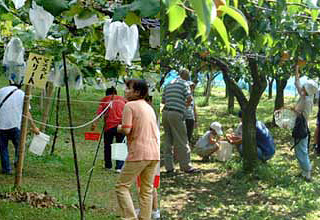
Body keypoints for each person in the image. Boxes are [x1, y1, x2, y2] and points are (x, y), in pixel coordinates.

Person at [116, 79, 160, 220]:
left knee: (122, 186)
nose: (126, 91)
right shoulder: (149, 107)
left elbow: (127, 129)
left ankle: (130, 217)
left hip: (139, 152)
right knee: (146, 190)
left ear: (137, 92)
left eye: (128, 88)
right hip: (154, 153)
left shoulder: (130, 106)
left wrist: (118, 128)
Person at [162, 69, 198, 173]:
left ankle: (169, 167)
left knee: (168, 140)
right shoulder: (184, 84)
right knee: (182, 139)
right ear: (186, 77)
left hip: (165, 113)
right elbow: (189, 98)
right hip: (176, 113)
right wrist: (184, 108)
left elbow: (163, 100)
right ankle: (186, 166)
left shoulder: (168, 84)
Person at [0, 81, 39, 175]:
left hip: (1, 124)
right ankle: (18, 165)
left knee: (3, 148)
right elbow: (27, 112)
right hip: (15, 125)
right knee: (19, 147)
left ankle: (6, 168)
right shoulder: (23, 94)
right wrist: (34, 127)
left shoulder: (1, 90)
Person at [292, 65, 318, 181]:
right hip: (301, 126)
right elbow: (297, 83)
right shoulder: (306, 96)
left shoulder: (306, 100)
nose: (301, 87)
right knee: (300, 150)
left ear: (306, 90)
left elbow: (297, 112)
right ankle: (304, 172)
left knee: (301, 151)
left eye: (304, 87)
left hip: (301, 128)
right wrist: (296, 69)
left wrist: (291, 109)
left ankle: (307, 173)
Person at [92, 87, 126, 172]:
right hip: (121, 126)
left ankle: (108, 165)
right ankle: (119, 167)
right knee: (121, 145)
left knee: (108, 146)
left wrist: (94, 124)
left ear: (107, 94)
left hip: (109, 126)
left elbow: (99, 113)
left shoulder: (105, 100)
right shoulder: (124, 100)